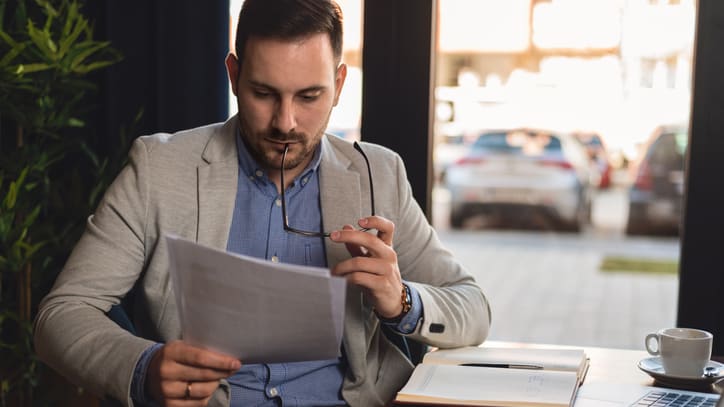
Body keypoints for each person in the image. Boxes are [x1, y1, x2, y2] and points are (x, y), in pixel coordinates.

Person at [33, 0, 491, 406]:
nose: (286, 122)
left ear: (339, 83)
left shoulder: (379, 173)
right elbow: (61, 315)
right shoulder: (159, 168)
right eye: (264, 93)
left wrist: (402, 299)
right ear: (233, 76)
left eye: (310, 96)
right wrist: (145, 367)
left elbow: (472, 307)